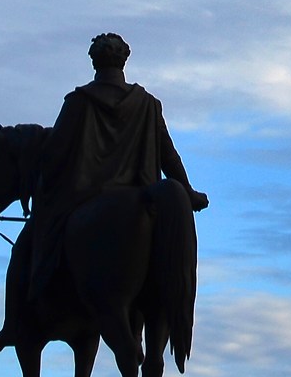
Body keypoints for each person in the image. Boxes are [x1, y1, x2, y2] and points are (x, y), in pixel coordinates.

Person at [25, 34, 205, 305]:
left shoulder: (78, 101)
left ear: (94, 62)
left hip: (85, 196)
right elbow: (169, 156)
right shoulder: (148, 104)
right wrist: (187, 192)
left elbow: (54, 155)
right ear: (124, 61)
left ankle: (27, 306)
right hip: (142, 193)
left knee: (28, 247)